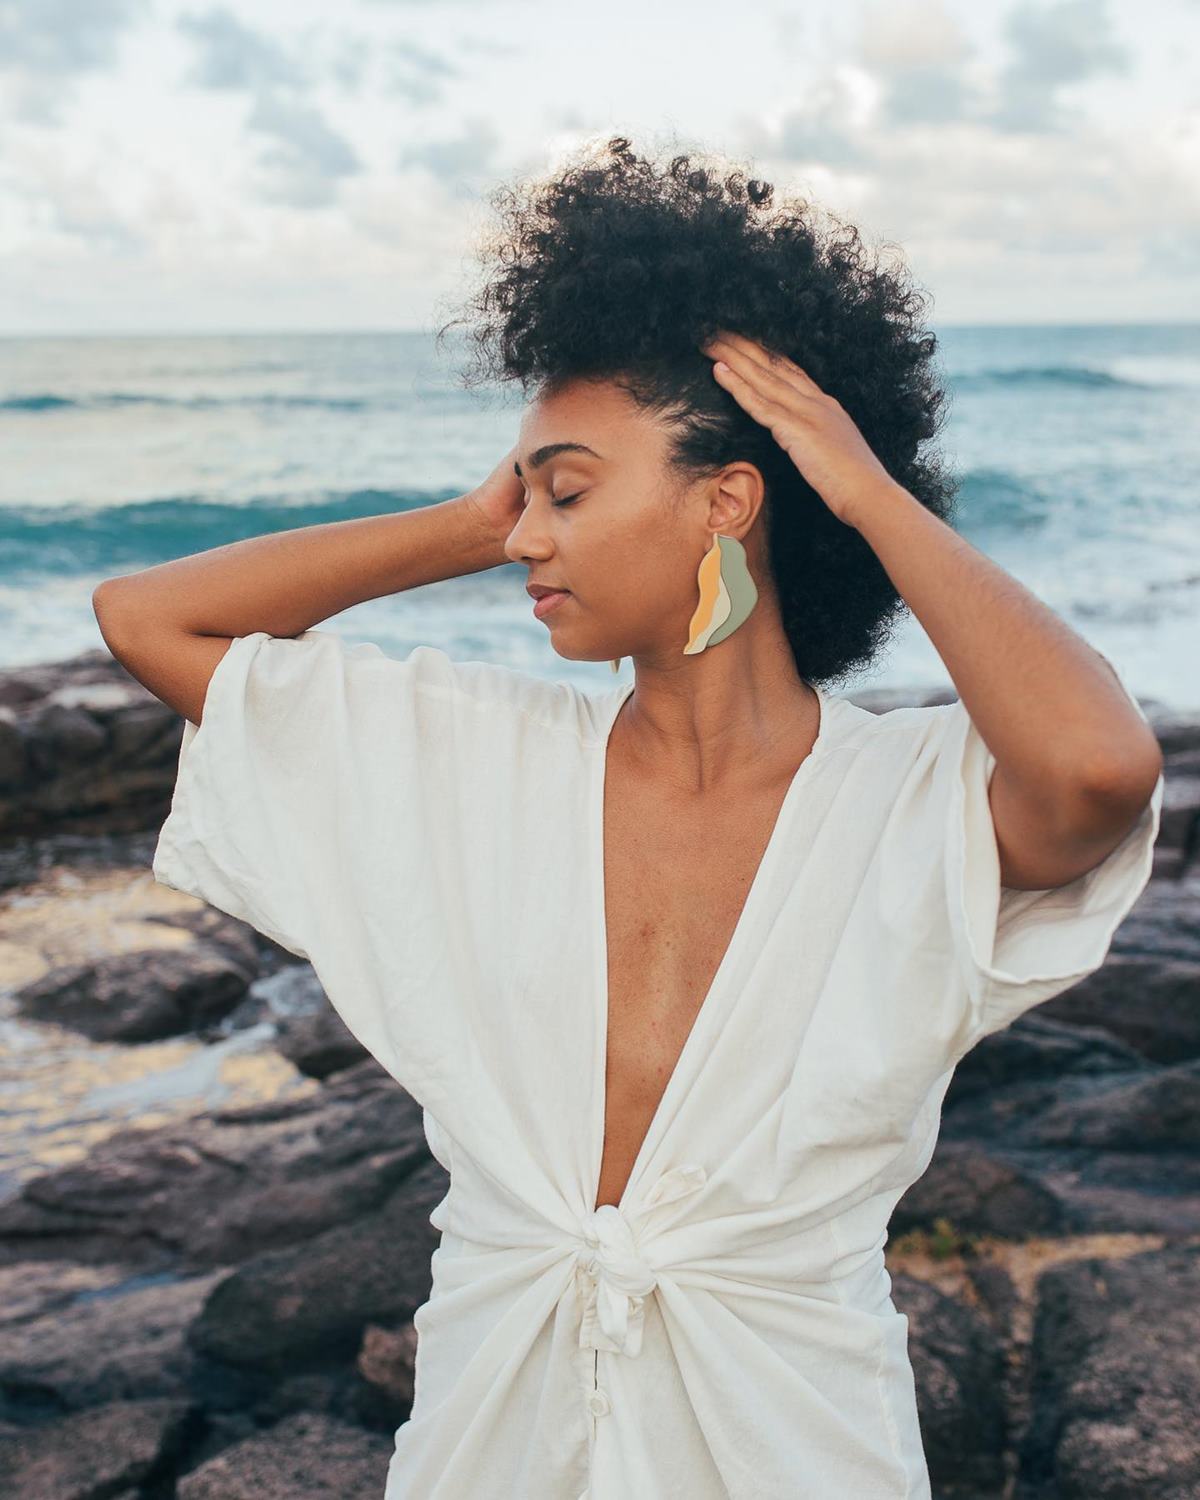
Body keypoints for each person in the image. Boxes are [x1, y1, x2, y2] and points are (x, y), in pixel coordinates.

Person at [94, 138, 1164, 1500]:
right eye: (527, 495)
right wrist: (471, 522)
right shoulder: (481, 759)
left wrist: (868, 494)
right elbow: (147, 620)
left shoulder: (909, 803)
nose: (531, 538)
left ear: (729, 502)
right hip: (496, 1426)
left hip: (792, 1437)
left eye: (572, 491)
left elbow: (1100, 770)